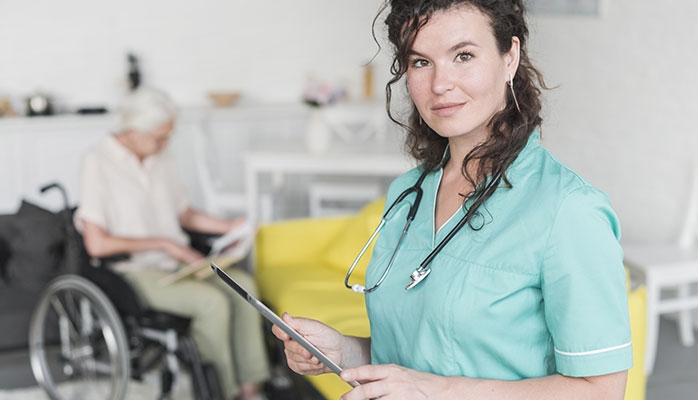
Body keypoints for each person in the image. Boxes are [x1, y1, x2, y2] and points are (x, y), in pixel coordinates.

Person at [272, 1, 632, 399]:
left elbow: (602, 389)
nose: (440, 83)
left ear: (509, 57)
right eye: (420, 62)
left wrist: (439, 391)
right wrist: (345, 350)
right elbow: (418, 353)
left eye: (463, 56)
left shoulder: (569, 210)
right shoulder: (409, 193)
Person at [74, 87, 270, 400]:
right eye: (159, 137)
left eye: (168, 136)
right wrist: (165, 244)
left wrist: (231, 227)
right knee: (212, 303)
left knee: (243, 287)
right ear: (133, 131)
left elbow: (185, 214)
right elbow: (96, 244)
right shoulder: (97, 161)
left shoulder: (160, 156)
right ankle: (220, 392)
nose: (166, 144)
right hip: (133, 270)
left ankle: (252, 390)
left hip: (177, 261)